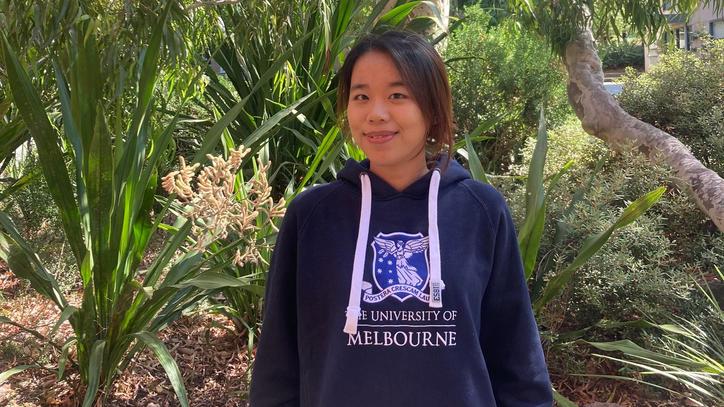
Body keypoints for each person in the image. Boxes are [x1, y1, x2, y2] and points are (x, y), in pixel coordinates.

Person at [249, 30, 552, 406]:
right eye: (361, 96)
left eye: (397, 95)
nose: (376, 113)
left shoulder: (480, 211)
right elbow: (277, 365)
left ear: (432, 108)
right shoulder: (311, 216)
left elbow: (517, 358)